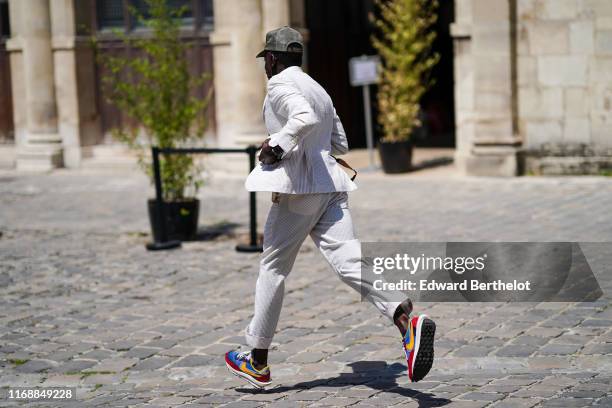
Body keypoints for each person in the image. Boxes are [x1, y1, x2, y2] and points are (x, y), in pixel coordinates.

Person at [224, 26, 435, 389]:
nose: (266, 66)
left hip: (301, 191)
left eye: (266, 60)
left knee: (273, 267)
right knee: (350, 264)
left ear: (271, 59)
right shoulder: (317, 87)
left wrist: (277, 146)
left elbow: (302, 118)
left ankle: (257, 360)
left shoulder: (279, 84)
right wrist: (307, 147)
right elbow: (340, 141)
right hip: (332, 189)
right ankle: (406, 321)